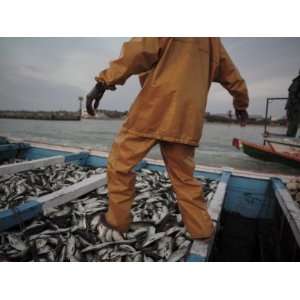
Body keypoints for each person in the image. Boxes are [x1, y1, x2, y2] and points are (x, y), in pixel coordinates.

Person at [86, 38, 249, 240]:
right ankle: (202, 229)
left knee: (120, 164)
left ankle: (117, 221)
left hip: (154, 109)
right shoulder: (212, 40)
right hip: (187, 117)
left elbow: (137, 52)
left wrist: (103, 82)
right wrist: (241, 104)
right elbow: (232, 76)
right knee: (184, 178)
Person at [285, 70, 300, 137]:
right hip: (294, 108)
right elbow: (292, 94)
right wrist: (296, 105)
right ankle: (289, 139)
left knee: (294, 125)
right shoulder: (298, 81)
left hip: (295, 107)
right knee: (293, 125)